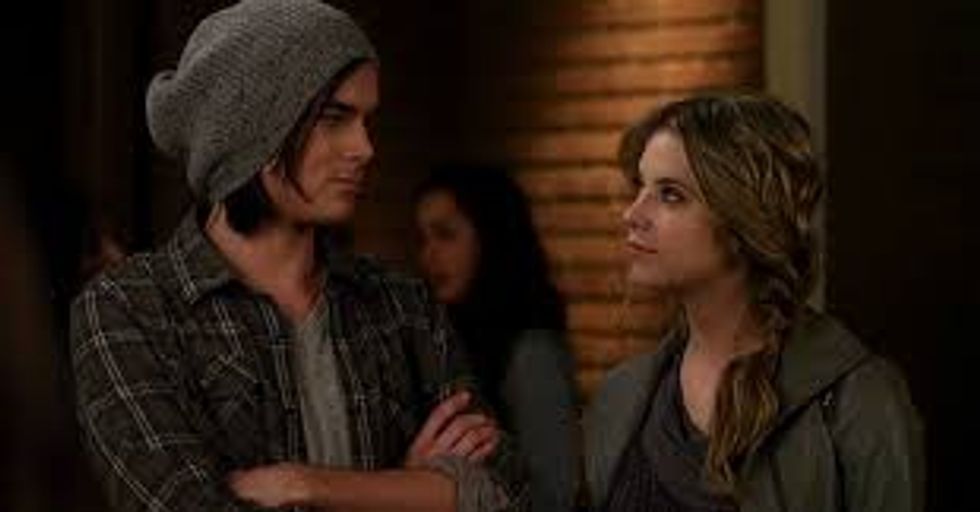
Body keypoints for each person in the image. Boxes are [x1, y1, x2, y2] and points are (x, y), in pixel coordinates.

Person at [69, 1, 527, 511]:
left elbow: (506, 489)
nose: (365, 148)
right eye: (335, 118)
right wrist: (407, 489)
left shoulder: (401, 305)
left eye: (366, 120)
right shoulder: (131, 310)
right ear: (253, 133)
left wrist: (302, 485)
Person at [584, 94, 924, 511]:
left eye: (670, 194)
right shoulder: (621, 398)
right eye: (640, 186)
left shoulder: (857, 403)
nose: (632, 214)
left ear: (743, 221)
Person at [414, 165, 580, 512]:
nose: (429, 255)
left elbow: (556, 496)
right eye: (422, 239)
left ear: (491, 238)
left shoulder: (532, 354)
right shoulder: (442, 340)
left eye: (445, 235)